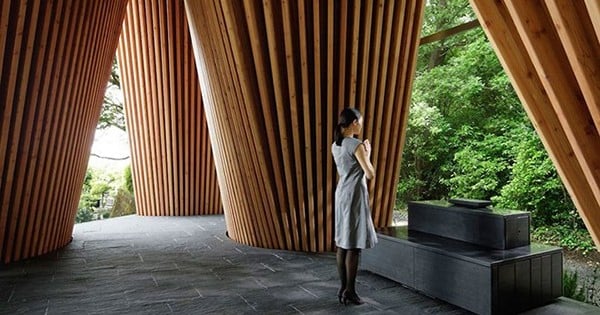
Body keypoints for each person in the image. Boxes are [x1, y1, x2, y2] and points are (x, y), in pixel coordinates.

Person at [331, 107, 377, 305]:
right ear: (353, 123)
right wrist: (367, 152)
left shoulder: (336, 144)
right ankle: (351, 290)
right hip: (354, 196)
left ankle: (343, 287)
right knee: (354, 245)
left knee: (342, 242)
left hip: (341, 193)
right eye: (360, 120)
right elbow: (370, 173)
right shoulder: (356, 144)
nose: (361, 124)